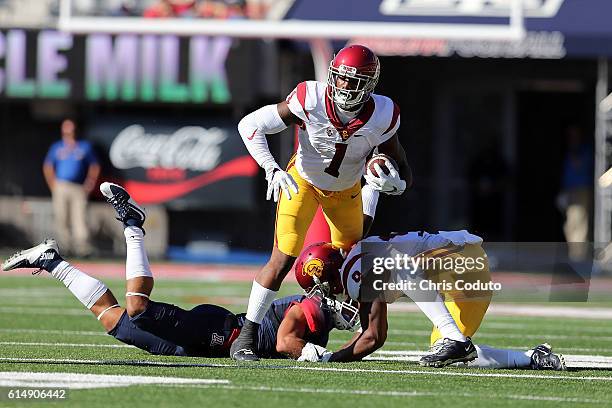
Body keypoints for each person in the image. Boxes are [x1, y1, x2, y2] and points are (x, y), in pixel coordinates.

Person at [1, 183, 356, 359]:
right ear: (322, 284)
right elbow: (284, 341)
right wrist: (325, 356)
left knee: (118, 324)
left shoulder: (319, 316)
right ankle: (133, 227)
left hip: (205, 349)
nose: (347, 297)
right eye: (340, 286)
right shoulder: (310, 309)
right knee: (138, 309)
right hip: (218, 332)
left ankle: (51, 262)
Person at [232, 44, 412, 360]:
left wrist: (395, 184)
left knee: (355, 256)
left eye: (351, 80)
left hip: (345, 190)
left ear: (368, 85)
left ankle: (368, 332)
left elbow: (403, 168)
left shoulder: (383, 114)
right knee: (282, 258)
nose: (342, 86)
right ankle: (245, 338)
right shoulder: (309, 98)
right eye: (339, 78)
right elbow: (249, 125)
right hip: (303, 181)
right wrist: (270, 167)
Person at [294, 239, 565, 371]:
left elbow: (373, 337)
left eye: (321, 288)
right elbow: (370, 333)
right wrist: (334, 355)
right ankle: (533, 357)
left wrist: (329, 358)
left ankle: (454, 337)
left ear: (326, 272)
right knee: (455, 357)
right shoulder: (359, 265)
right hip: (467, 270)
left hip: (458, 259)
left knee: (397, 265)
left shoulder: (355, 272)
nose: (324, 296)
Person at [43, 119, 100, 257]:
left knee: (80, 218)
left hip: (78, 187)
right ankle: (65, 248)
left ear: (75, 131)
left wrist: (90, 182)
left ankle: (82, 249)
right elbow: (48, 166)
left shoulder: (84, 146)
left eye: (71, 130)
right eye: (66, 130)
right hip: (61, 186)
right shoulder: (57, 147)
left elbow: (95, 165)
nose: (69, 133)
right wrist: (53, 184)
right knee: (61, 217)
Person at [558, 125, 593, 261]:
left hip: (581, 189)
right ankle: (575, 255)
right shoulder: (569, 151)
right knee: (570, 224)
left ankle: (579, 257)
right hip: (569, 190)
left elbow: (581, 166)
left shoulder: (584, 151)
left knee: (579, 222)